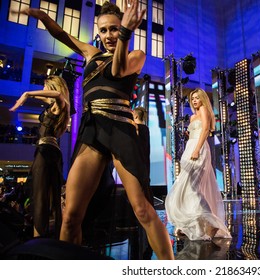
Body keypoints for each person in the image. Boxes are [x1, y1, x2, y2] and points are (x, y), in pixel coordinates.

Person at [13, 0, 174, 259]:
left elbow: (117, 70)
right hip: (91, 128)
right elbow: (61, 34)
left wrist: (126, 34)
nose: (109, 35)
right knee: (71, 216)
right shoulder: (90, 53)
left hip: (120, 128)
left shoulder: (136, 55)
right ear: (98, 32)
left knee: (143, 210)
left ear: (123, 28)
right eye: (104, 30)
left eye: (114, 29)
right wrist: (41, 15)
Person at [165, 88, 231, 240]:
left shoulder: (204, 111)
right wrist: (190, 137)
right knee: (186, 186)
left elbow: (205, 130)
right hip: (190, 147)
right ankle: (189, 224)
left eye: (197, 98)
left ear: (202, 99)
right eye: (192, 98)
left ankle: (211, 222)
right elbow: (196, 132)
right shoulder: (193, 116)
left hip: (198, 149)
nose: (194, 100)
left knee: (192, 187)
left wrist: (196, 149)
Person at [9, 75, 70, 238]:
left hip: (47, 151)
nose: (43, 90)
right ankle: (42, 236)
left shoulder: (59, 104)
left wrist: (28, 93)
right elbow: (48, 97)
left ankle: (38, 239)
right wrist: (26, 96)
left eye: (45, 87)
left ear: (52, 87)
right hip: (46, 150)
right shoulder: (54, 106)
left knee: (40, 194)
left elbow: (58, 95)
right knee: (43, 193)